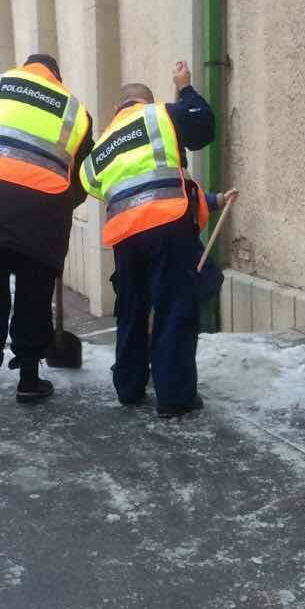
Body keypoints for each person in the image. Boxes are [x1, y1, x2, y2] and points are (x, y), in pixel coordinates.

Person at [0, 53, 93, 406]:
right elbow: (80, 180)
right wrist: (61, 206)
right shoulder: (76, 111)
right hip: (40, 215)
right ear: (56, 77)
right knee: (33, 294)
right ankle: (29, 377)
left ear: (26, 69)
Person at [79, 60, 215, 418]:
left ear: (116, 109)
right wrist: (185, 87)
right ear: (147, 102)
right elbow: (203, 126)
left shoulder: (104, 144)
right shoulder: (161, 115)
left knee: (132, 309)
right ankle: (174, 397)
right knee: (173, 309)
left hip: (125, 233)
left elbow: (90, 183)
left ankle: (129, 386)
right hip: (167, 223)